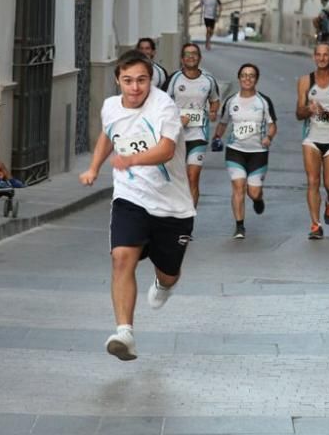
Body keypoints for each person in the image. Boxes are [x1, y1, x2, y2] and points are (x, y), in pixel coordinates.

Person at [79, 50, 195, 361]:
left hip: (172, 206)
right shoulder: (110, 107)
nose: (135, 88)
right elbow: (108, 135)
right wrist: (93, 167)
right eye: (128, 81)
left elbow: (167, 150)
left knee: (169, 272)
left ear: (151, 81)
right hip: (131, 196)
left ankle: (164, 283)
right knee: (120, 258)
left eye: (141, 80)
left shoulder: (164, 107)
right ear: (118, 80)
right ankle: (124, 333)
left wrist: (131, 159)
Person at [212, 63, 277, 239]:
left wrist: (268, 138)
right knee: (238, 187)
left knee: (253, 191)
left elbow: (272, 125)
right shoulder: (231, 101)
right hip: (235, 151)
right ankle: (239, 226)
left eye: (251, 75)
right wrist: (217, 137)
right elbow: (224, 122)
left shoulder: (263, 102)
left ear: (256, 79)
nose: (247, 78)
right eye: (244, 75)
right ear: (239, 78)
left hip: (258, 152)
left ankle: (258, 198)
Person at [296, 41, 329, 239]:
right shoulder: (305, 81)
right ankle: (315, 225)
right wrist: (307, 110)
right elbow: (298, 113)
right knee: (312, 181)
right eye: (318, 54)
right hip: (311, 138)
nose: (321, 58)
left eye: (325, 55)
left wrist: (325, 114)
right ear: (313, 56)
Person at [163, 43, 220, 206]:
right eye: (187, 54)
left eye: (194, 54)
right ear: (182, 59)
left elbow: (215, 100)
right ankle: (174, 213)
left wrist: (214, 112)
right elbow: (162, 103)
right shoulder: (174, 79)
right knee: (175, 179)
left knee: (193, 177)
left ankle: (189, 220)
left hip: (198, 135)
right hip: (176, 136)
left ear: (200, 58)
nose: (191, 57)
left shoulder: (208, 80)